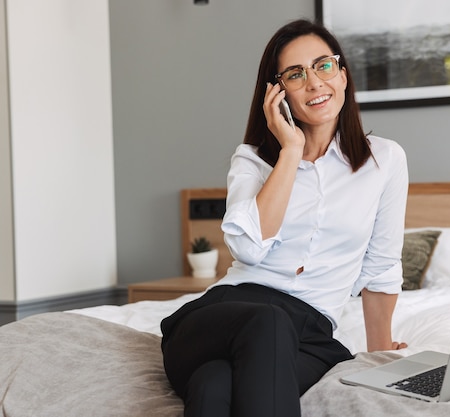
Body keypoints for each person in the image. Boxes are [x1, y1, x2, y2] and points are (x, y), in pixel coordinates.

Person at [161, 18, 409, 417]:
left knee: (213, 386)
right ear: (277, 94)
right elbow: (248, 248)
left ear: (343, 75)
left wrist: (379, 351)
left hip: (309, 336)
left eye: (323, 65)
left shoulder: (385, 160)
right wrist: (291, 151)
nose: (314, 83)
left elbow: (381, 265)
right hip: (224, 315)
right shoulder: (253, 161)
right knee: (268, 320)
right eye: (296, 75)